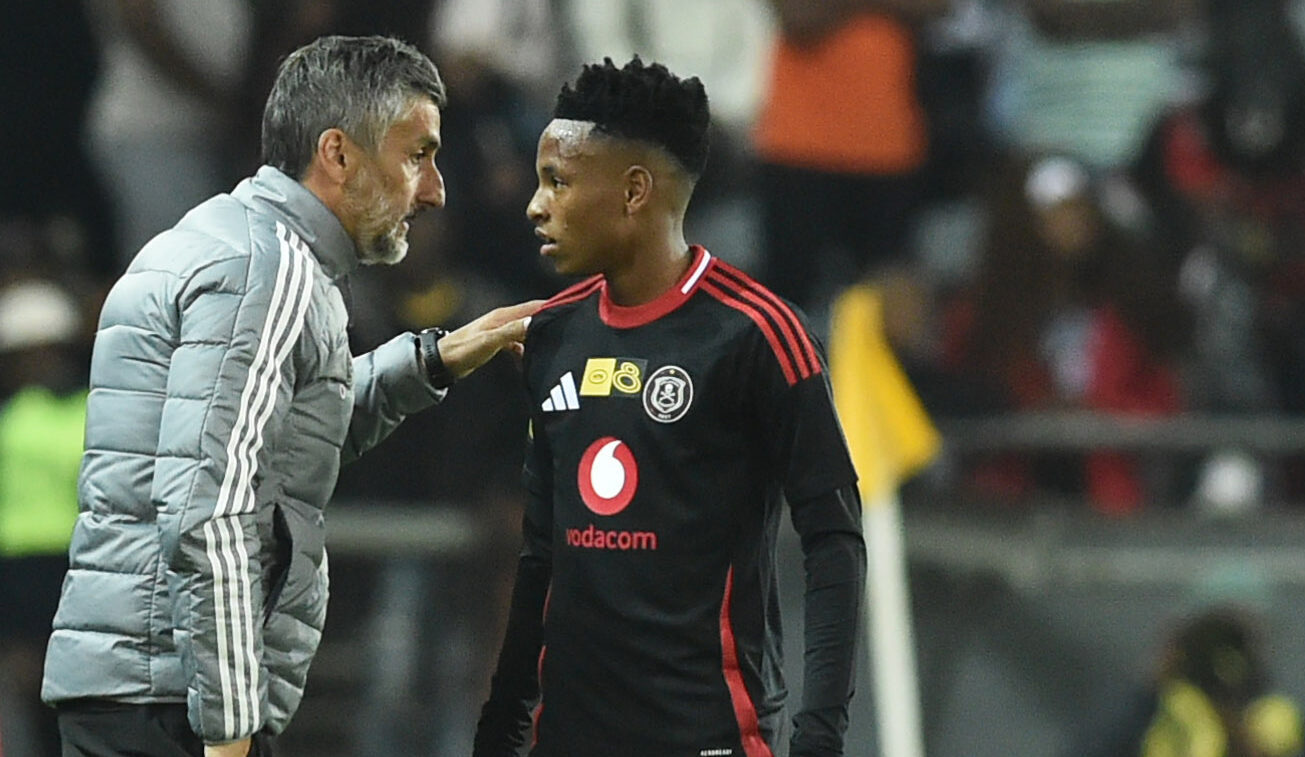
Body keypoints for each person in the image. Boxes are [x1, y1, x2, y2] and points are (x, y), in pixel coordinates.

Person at [40, 34, 540, 757]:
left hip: (141, 687)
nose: (435, 190)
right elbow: (212, 511)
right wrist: (232, 729)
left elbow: (281, 440)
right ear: (337, 154)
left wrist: (432, 360)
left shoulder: (227, 240)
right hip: (177, 703)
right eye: (416, 156)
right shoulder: (269, 275)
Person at [472, 57, 867, 757]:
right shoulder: (552, 334)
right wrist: (502, 725)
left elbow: (833, 538)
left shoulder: (759, 334)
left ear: (633, 191)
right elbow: (541, 552)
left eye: (557, 181)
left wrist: (820, 738)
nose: (535, 205)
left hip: (705, 738)